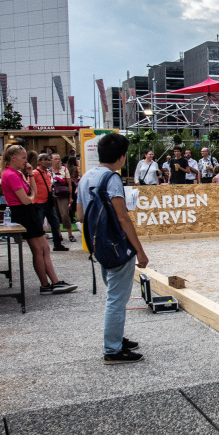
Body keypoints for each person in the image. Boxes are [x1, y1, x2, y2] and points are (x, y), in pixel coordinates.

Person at [77, 133, 148, 365]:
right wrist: (139, 250)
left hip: (98, 244)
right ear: (122, 157)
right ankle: (112, 349)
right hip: (117, 245)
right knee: (117, 299)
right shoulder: (112, 179)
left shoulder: (86, 177)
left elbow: (79, 215)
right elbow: (123, 217)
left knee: (114, 294)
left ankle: (116, 338)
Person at [0, 145, 77, 296]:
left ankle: (54, 282)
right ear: (13, 157)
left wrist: (31, 177)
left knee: (44, 249)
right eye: (23, 158)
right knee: (38, 250)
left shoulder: (17, 173)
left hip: (28, 211)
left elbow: (31, 193)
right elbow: (27, 199)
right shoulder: (11, 174)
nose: (25, 161)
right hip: (23, 212)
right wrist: (32, 195)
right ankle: (46, 284)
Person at [33, 153, 69, 251]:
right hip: (39, 202)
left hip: (48, 202)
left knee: (55, 223)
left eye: (48, 160)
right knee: (39, 225)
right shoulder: (35, 173)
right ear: (39, 161)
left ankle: (57, 244)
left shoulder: (48, 173)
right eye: (45, 160)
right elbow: (30, 186)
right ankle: (39, 246)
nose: (47, 162)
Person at [50, 153, 76, 243]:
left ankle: (70, 233)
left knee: (65, 214)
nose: (58, 160)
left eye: (58, 159)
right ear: (51, 161)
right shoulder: (49, 171)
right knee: (55, 215)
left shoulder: (64, 170)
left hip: (63, 194)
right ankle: (59, 234)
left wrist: (70, 197)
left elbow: (69, 184)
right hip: (53, 195)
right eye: (55, 159)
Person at [67, 155, 80, 222]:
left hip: (70, 184)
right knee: (76, 200)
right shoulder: (76, 168)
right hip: (75, 185)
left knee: (71, 201)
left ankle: (71, 217)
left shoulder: (68, 168)